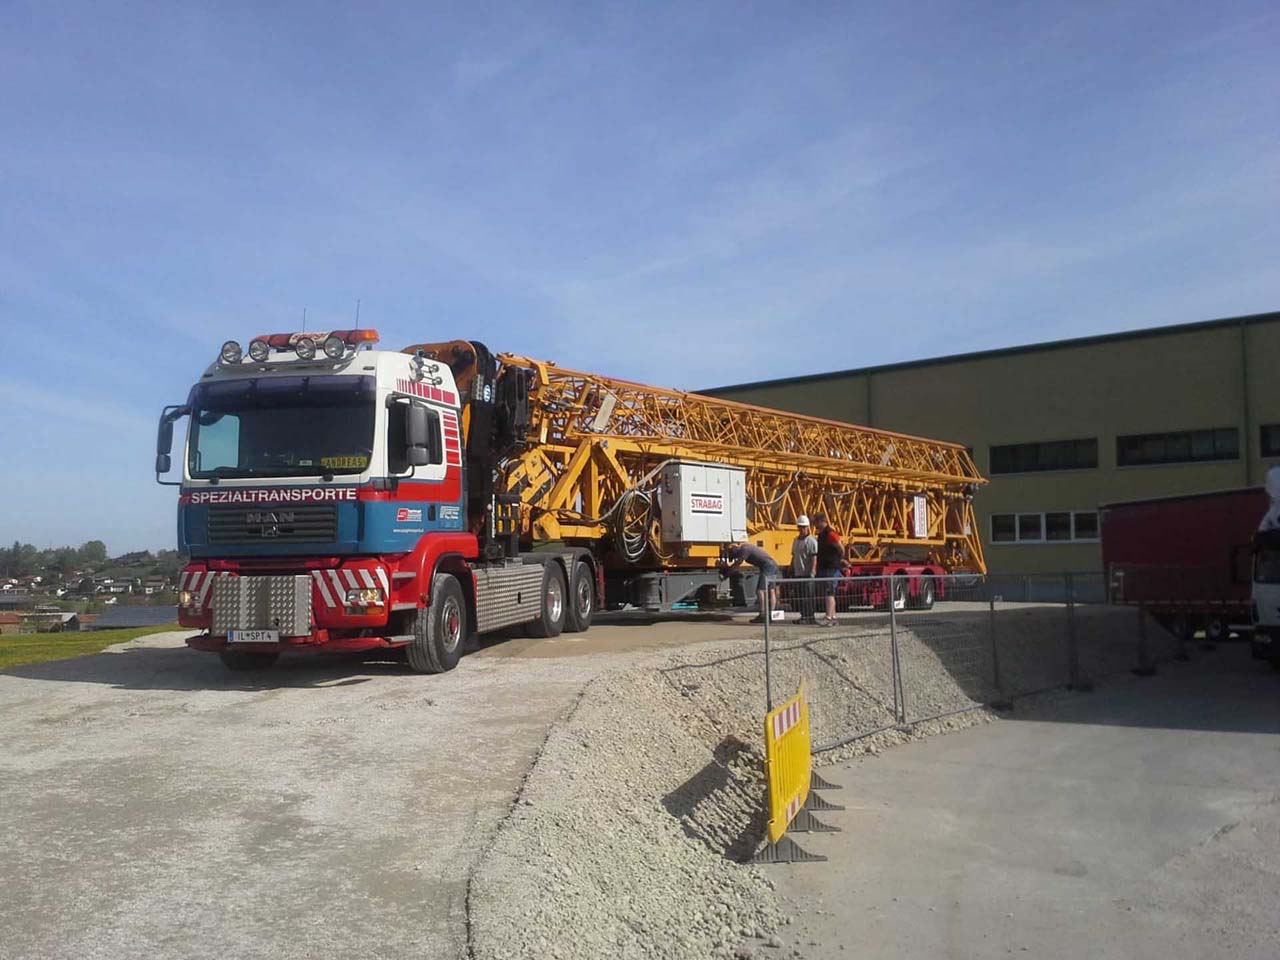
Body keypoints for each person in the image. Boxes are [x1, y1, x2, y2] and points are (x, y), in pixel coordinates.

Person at [724, 541, 782, 623]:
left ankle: (762, 615)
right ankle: (772, 615)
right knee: (771, 590)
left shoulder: (744, 549)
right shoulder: (747, 547)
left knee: (760, 591)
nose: (736, 557)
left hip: (767, 566)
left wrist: (728, 573)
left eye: (735, 555)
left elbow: (738, 563)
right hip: (773, 565)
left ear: (735, 550)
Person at [812, 513, 845, 626]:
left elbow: (841, 548)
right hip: (826, 566)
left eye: (816, 522)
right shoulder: (822, 535)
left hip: (830, 567)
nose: (815, 525)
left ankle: (829, 617)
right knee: (829, 592)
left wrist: (838, 559)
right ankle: (833, 616)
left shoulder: (830, 534)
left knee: (829, 592)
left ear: (821, 521)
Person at [790, 515, 818, 624]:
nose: (801, 529)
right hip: (798, 573)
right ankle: (803, 616)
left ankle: (810, 617)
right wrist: (791, 568)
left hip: (807, 573)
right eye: (800, 527)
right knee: (801, 596)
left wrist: (812, 571)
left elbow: (814, 557)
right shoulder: (795, 541)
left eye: (803, 527)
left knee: (808, 596)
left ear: (807, 527)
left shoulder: (811, 541)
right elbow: (794, 556)